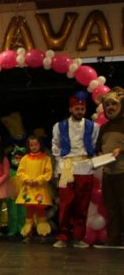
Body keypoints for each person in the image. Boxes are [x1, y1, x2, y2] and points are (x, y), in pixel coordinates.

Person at [51, 92, 99, 248]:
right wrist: (61, 163)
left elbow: (93, 143)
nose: (80, 111)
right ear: (71, 109)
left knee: (82, 204)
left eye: (82, 109)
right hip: (66, 167)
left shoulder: (93, 126)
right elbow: (55, 146)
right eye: (77, 108)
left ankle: (79, 236)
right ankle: (63, 236)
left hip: (85, 167)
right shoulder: (59, 126)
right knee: (65, 203)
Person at [95, 87, 124, 247]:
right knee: (111, 208)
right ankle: (113, 240)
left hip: (123, 172)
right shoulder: (104, 127)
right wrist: (99, 154)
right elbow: (99, 146)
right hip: (108, 173)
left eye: (113, 104)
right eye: (107, 105)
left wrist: (121, 150)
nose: (110, 108)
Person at [16, 136, 53, 243]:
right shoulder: (25, 158)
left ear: (40, 144)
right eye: (31, 145)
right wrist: (27, 180)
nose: (33, 147)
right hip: (28, 188)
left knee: (41, 212)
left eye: (36, 144)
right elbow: (20, 172)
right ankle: (28, 234)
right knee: (29, 212)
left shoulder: (46, 158)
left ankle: (42, 234)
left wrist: (38, 180)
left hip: (40, 188)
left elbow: (48, 173)